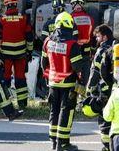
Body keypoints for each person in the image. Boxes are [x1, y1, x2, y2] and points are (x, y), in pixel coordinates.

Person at [42, 12, 83, 151]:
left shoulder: (47, 41)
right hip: (68, 83)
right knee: (66, 112)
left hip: (53, 82)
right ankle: (63, 143)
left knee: (54, 111)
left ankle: (54, 142)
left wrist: (49, 77)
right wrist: (81, 82)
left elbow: (44, 63)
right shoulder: (72, 44)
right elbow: (77, 67)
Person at [0, 0, 33, 109]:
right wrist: (29, 52)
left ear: (6, 6)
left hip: (6, 56)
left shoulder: (1, 20)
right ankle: (22, 104)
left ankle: (6, 104)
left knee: (6, 78)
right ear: (16, 5)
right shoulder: (23, 19)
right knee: (20, 78)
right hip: (21, 54)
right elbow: (29, 37)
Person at [85, 24, 115, 151]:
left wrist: (89, 89)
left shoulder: (101, 51)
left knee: (104, 119)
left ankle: (106, 146)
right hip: (116, 90)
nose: (96, 40)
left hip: (104, 91)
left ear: (104, 37)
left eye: (98, 37)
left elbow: (95, 72)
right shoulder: (117, 48)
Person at [70, 0, 95, 85]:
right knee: (86, 76)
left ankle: (73, 94)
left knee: (73, 75)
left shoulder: (70, 18)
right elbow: (93, 36)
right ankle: (84, 94)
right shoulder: (90, 19)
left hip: (74, 52)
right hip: (86, 52)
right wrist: (93, 51)